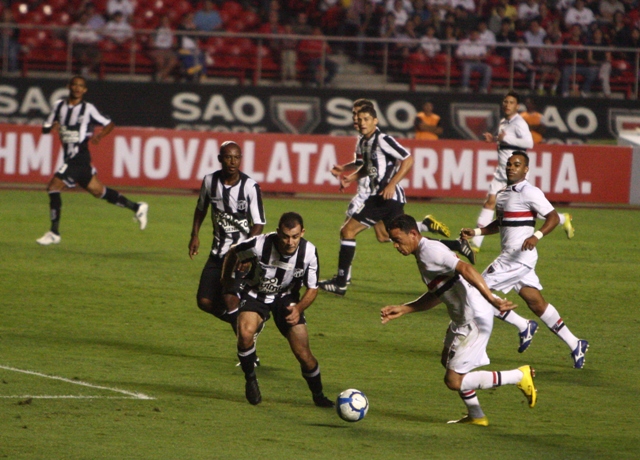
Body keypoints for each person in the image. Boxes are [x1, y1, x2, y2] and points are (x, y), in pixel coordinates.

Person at [380, 214, 537, 426]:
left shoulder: (430, 251)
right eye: (393, 241)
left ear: (413, 234)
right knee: (447, 360)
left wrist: (491, 298)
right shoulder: (423, 252)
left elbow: (466, 268)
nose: (395, 246)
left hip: (473, 318)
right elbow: (439, 293)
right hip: (462, 317)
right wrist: (405, 308)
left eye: (398, 240)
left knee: (453, 380)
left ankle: (518, 376)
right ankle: (476, 415)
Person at [318, 103, 474, 296]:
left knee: (347, 231)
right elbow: (369, 167)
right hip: (384, 198)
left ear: (375, 121)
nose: (362, 122)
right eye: (359, 119)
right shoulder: (364, 142)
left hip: (385, 196)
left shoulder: (383, 139)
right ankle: (456, 245)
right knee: (396, 238)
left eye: (366, 119)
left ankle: (341, 283)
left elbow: (408, 159)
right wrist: (351, 177)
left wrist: (391, 184)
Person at [460, 151, 589, 368]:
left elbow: (553, 217)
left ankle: (522, 325)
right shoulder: (502, 193)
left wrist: (536, 236)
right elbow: (501, 223)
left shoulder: (530, 192)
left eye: (517, 165)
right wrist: (477, 232)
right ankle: (575, 343)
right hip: (517, 259)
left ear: (526, 169)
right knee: (536, 302)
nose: (511, 167)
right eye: (509, 164)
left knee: (474, 292)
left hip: (516, 258)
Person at [221, 212, 334, 408]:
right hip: (256, 294)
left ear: (302, 233)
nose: (290, 242)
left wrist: (298, 308)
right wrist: (227, 281)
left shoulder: (309, 252)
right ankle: (250, 379)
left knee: (304, 355)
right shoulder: (259, 244)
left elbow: (313, 288)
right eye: (285, 236)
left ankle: (318, 394)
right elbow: (233, 252)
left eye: (295, 236)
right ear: (277, 232)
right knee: (245, 334)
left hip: (287, 299)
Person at [36, 76, 148, 246]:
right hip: (71, 157)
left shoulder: (88, 109)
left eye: (81, 86)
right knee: (98, 191)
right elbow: (45, 128)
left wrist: (100, 136)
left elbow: (109, 123)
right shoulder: (58, 106)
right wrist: (52, 126)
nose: (77, 88)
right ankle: (137, 207)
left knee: (53, 187)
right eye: (75, 85)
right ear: (69, 86)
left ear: (85, 90)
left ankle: (54, 232)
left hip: (79, 156)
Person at [188, 141, 266, 348]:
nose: (233, 161)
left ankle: (247, 349)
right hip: (217, 253)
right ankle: (249, 327)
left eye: (237, 157)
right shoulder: (209, 182)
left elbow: (259, 223)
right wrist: (194, 235)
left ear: (241, 159)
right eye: (228, 157)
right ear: (220, 159)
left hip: (238, 256)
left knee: (230, 298)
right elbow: (201, 208)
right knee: (204, 302)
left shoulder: (250, 187)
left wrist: (247, 252)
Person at [456, 29, 493, 94]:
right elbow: (458, 55)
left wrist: (478, 57)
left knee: (488, 68)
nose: (474, 36)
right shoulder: (464, 42)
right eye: (473, 34)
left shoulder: (481, 43)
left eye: (476, 35)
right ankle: (465, 87)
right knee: (467, 67)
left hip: (478, 62)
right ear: (470, 35)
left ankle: (483, 88)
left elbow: (485, 56)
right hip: (467, 61)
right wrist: (467, 57)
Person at [148, 15, 179, 82]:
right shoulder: (155, 31)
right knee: (160, 60)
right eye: (163, 21)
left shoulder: (171, 31)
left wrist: (173, 45)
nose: (164, 23)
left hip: (168, 50)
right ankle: (164, 78)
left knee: (173, 61)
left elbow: (175, 43)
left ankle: (161, 75)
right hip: (157, 50)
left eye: (166, 21)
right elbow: (150, 43)